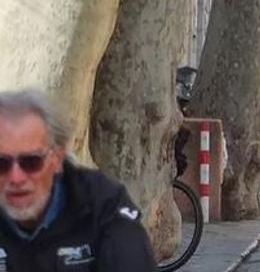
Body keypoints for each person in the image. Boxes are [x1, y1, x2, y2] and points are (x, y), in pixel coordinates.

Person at [0, 89, 156, 270]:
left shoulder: (103, 205)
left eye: (31, 162)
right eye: (1, 164)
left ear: (57, 159)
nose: (16, 178)